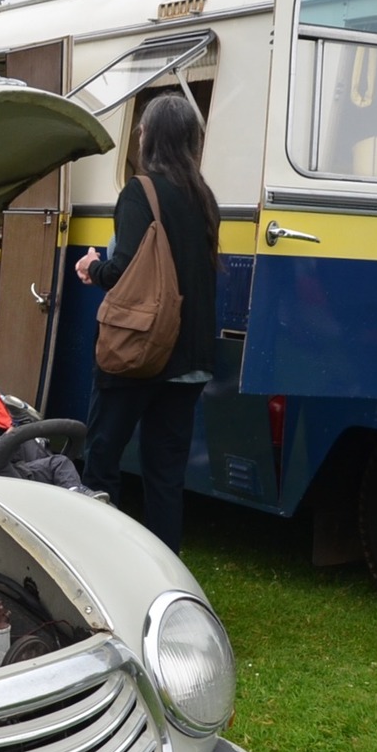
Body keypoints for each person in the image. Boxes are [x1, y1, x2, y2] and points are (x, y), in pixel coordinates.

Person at [72, 93, 218, 554]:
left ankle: (101, 562)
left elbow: (122, 271)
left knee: (102, 462)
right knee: (165, 476)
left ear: (151, 137)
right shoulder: (204, 198)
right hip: (190, 360)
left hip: (140, 353)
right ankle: (163, 572)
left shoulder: (141, 191)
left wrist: (91, 267)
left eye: (140, 130)